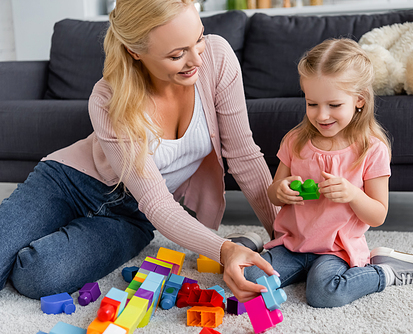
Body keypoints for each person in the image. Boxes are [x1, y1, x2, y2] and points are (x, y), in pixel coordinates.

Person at [0, 0, 279, 302]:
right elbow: (157, 202)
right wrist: (224, 248)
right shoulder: (108, 97)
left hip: (132, 215)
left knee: (37, 276)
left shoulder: (217, 57)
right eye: (176, 54)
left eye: (198, 39)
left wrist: (283, 236)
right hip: (68, 182)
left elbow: (244, 156)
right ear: (136, 51)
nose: (196, 59)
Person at [245, 38, 413, 308]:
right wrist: (280, 190)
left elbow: (378, 214)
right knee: (248, 278)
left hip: (336, 250)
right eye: (312, 103)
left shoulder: (371, 149)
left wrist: (352, 194)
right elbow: (274, 194)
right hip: (291, 245)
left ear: (359, 100)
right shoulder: (295, 140)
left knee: (324, 294)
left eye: (334, 105)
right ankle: (249, 244)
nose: (322, 115)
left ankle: (384, 272)